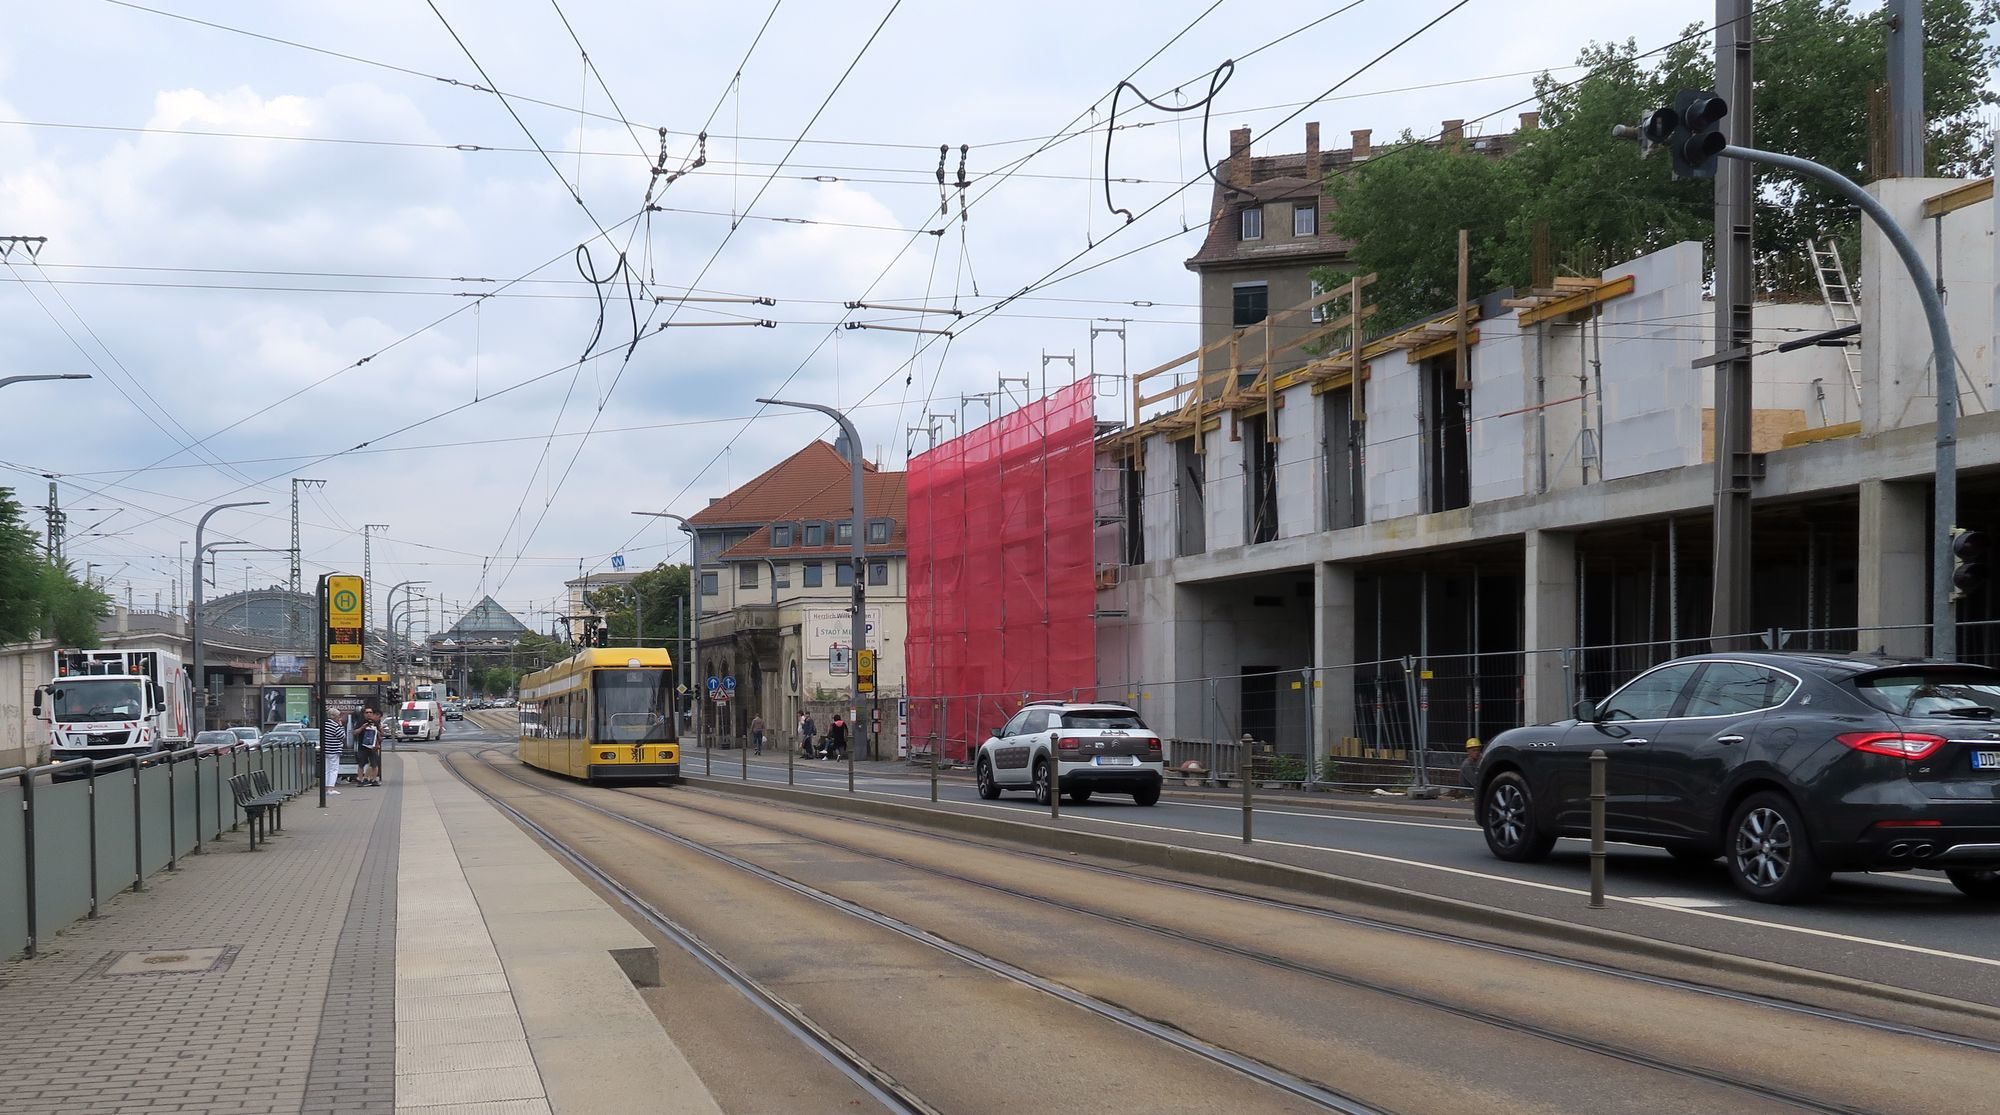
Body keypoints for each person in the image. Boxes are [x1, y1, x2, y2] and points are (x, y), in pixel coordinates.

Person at [321, 709, 348, 795]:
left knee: (327, 770)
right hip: (334, 750)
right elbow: (342, 736)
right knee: (333, 770)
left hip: (326, 750)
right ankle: (330, 789)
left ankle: (325, 788)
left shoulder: (324, 724)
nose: (339, 718)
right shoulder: (335, 725)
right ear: (334, 717)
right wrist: (341, 726)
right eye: (338, 716)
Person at [356, 708, 384, 787]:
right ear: (364, 714)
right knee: (361, 764)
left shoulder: (375, 722)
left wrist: (377, 731)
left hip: (373, 747)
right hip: (363, 746)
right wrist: (362, 728)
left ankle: (374, 780)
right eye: (367, 712)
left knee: (374, 764)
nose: (369, 714)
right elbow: (354, 733)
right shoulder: (360, 722)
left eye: (370, 712)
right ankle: (360, 780)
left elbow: (382, 734)